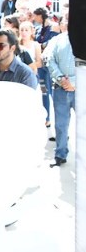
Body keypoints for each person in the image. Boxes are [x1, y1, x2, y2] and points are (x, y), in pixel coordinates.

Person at [46, 16, 75, 167]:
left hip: (80, 90)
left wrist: (74, 83)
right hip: (60, 88)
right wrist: (60, 79)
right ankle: (60, 154)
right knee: (61, 124)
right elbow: (49, 59)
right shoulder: (56, 40)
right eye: (66, 21)